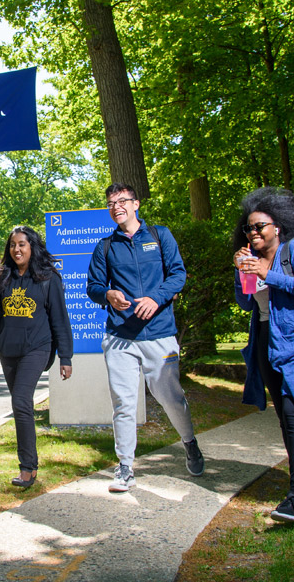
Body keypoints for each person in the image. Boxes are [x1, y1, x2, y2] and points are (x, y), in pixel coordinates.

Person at [86, 182, 204, 493]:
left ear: (136, 204)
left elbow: (178, 274)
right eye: (111, 203)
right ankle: (125, 467)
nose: (116, 207)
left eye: (122, 201)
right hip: (120, 337)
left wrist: (157, 298)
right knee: (124, 402)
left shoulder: (159, 235)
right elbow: (93, 286)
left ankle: (190, 443)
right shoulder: (105, 247)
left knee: (170, 398)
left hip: (159, 335)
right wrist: (108, 294)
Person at [233, 186, 294, 523]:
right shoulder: (251, 259)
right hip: (264, 343)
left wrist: (267, 274)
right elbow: (246, 302)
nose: (254, 232)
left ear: (278, 227)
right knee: (285, 419)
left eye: (260, 226)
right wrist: (242, 272)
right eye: (249, 228)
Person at [0, 225, 74, 489]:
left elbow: (59, 318)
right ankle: (30, 464)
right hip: (8, 351)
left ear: (32, 247)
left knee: (21, 401)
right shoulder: (3, 278)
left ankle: (27, 468)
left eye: (22, 244)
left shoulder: (48, 278)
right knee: (20, 407)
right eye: (13, 245)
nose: (16, 249)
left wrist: (65, 357)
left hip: (37, 347)